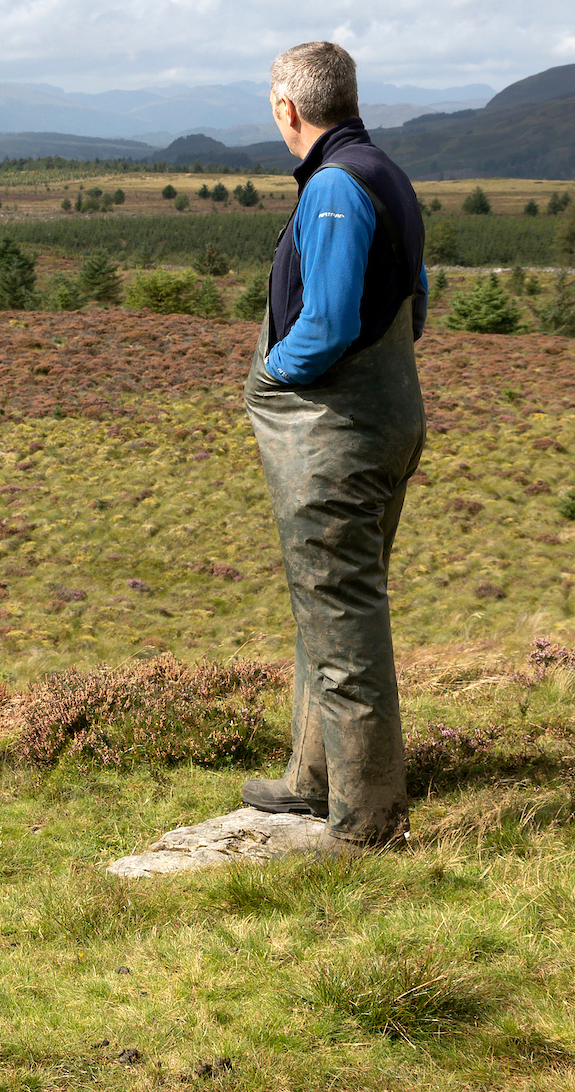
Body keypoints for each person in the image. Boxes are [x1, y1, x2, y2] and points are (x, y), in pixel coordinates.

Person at [240, 41, 427, 849]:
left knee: (343, 619)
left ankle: (366, 821)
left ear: (289, 109)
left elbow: (327, 324)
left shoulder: (334, 189)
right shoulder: (382, 170)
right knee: (331, 607)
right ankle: (312, 778)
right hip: (384, 421)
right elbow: (415, 300)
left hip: (336, 439)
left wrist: (277, 372)